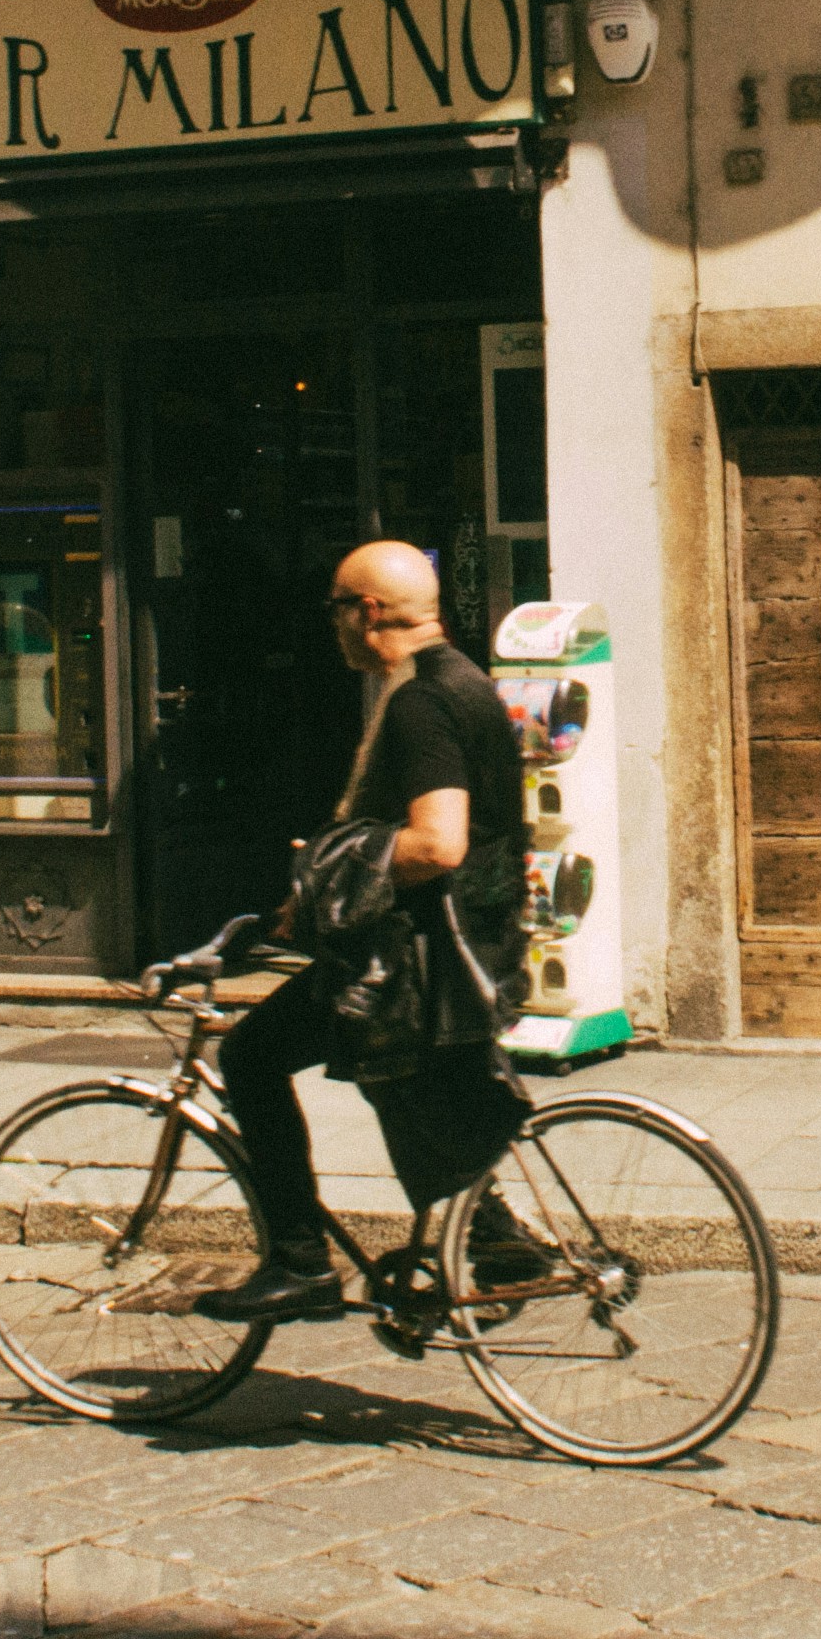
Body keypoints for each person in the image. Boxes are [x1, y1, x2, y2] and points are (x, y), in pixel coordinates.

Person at [193, 538, 532, 1326]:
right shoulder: (467, 682)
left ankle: (299, 1261)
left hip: (418, 964)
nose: (334, 626)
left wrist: (326, 872)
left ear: (367, 612)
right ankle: (497, 1233)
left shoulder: (420, 702)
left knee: (250, 1056)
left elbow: (438, 843)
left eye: (337, 609)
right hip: (460, 952)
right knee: (405, 1087)